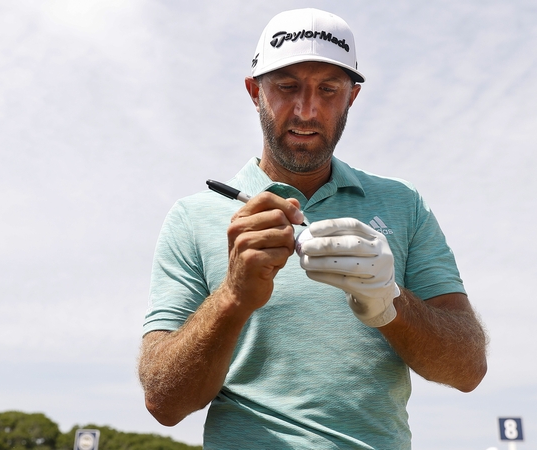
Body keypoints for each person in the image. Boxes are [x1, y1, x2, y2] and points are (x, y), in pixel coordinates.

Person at [138, 8, 488, 449]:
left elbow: (468, 368)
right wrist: (232, 298)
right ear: (254, 91)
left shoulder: (404, 203)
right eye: (287, 87)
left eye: (328, 89)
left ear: (352, 97)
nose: (307, 109)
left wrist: (388, 301)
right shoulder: (193, 217)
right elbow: (164, 402)